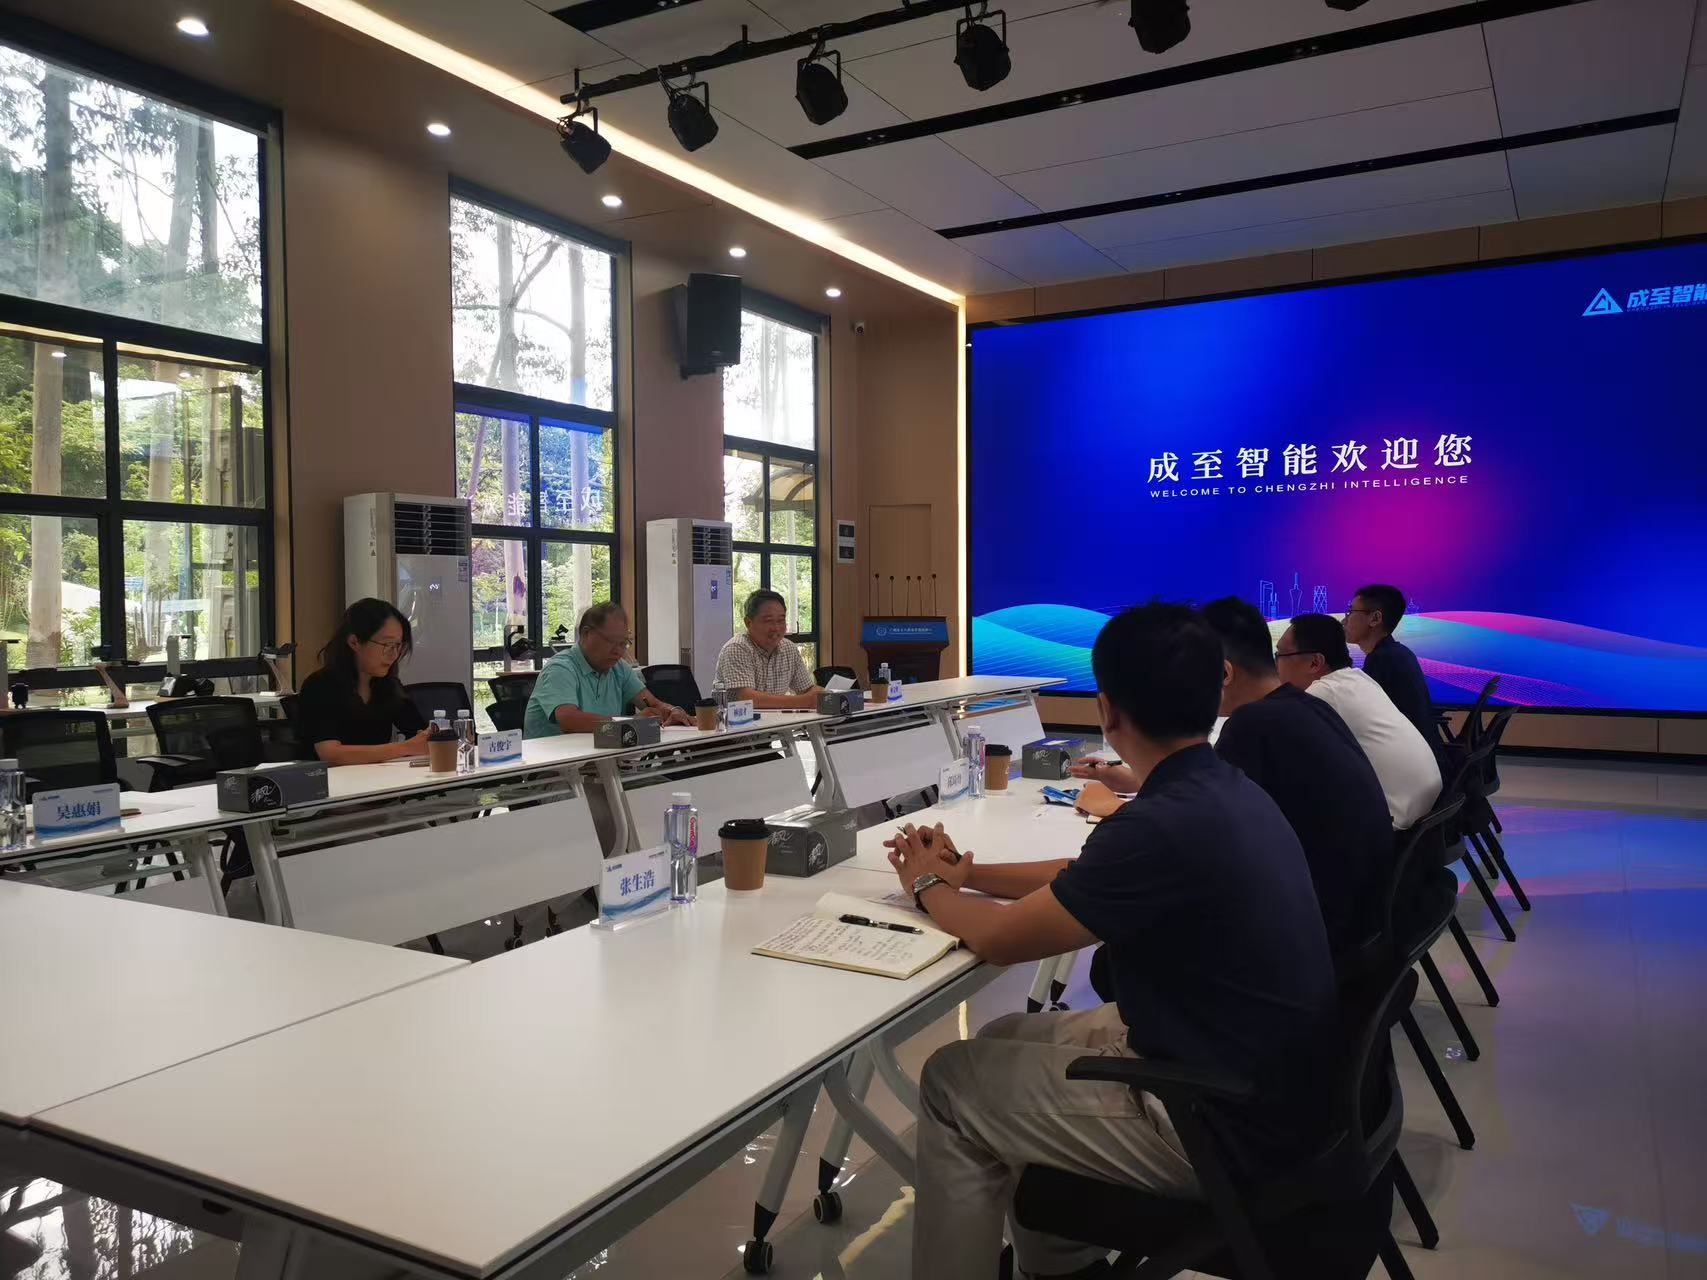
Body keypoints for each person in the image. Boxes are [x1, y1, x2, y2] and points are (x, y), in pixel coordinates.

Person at [886, 603, 1336, 1280]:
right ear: (1215, 688)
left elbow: (1001, 939)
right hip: (1268, 1082)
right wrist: (967, 875)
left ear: (1107, 710)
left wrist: (925, 885)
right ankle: (1063, 1265)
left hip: (1221, 1123)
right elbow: (1084, 875)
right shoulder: (1218, 786)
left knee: (953, 1084)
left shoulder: (1165, 822)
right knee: (1006, 1034)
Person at [1279, 613, 1443, 830]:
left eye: (1280, 655)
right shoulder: (1358, 678)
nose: (1276, 664)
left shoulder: (1323, 692)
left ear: (1315, 662)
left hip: (1394, 822)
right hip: (1426, 809)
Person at [524, 602, 691, 738]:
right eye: (611, 642)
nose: (618, 651)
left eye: (623, 643)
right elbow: (570, 720)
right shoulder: (560, 669)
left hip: (601, 760)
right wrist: (630, 723)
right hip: (555, 765)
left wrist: (672, 711)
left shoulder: (619, 669)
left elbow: (652, 704)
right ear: (586, 634)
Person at [297, 598, 429, 765]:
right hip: (328, 779)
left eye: (398, 646)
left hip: (376, 777)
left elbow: (420, 734)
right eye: (387, 645)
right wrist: (405, 747)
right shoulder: (320, 685)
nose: (394, 655)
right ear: (355, 642)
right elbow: (330, 754)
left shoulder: (388, 685)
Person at [1345, 583, 1439, 748]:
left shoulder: (1382, 660)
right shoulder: (1397, 653)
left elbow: (1362, 719)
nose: (1344, 620)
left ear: (1375, 618)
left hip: (1407, 756)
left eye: (1351, 612)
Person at [713, 589, 820, 710]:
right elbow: (747, 698)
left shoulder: (789, 648)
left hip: (777, 721)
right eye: (768, 621)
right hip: (739, 721)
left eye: (781, 620)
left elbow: (807, 689)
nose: (776, 628)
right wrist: (803, 701)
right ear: (748, 623)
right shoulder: (737, 648)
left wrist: (825, 695)